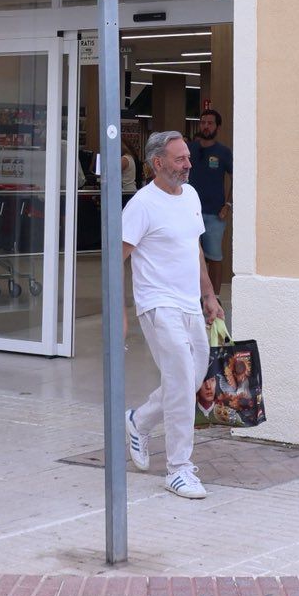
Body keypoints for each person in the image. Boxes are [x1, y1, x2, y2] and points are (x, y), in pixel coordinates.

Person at [121, 130, 223, 501]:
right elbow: (116, 259)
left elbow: (194, 249)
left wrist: (208, 295)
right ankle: (179, 469)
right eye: (179, 159)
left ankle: (140, 421)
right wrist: (121, 314)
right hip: (157, 303)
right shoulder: (141, 206)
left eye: (188, 158)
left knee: (193, 377)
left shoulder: (191, 196)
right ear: (157, 163)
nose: (188, 164)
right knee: (180, 375)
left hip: (188, 303)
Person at [186, 109, 234, 293]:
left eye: (210, 123)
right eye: (203, 122)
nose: (206, 126)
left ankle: (215, 298)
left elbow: (236, 177)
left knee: (214, 257)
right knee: (190, 257)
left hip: (215, 213)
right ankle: (194, 296)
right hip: (190, 213)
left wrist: (227, 205)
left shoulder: (223, 152)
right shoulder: (189, 149)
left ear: (217, 127)